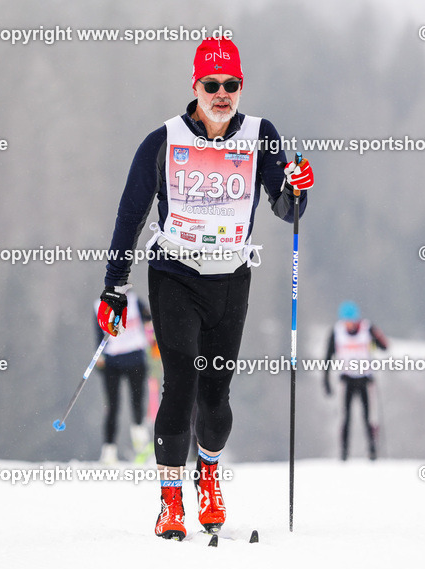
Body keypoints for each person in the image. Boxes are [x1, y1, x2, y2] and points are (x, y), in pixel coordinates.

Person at [96, 38, 314, 540]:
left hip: (231, 279)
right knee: (182, 384)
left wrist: (298, 187)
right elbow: (130, 214)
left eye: (231, 85)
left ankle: (209, 476)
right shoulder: (162, 140)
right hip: (174, 273)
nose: (222, 94)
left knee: (216, 398)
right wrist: (114, 286)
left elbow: (287, 206)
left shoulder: (262, 135)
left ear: (241, 87)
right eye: (212, 85)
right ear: (195, 86)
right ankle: (171, 499)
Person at [93, 290, 154, 466]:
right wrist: (99, 358)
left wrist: (152, 336)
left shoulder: (134, 300)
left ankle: (141, 443)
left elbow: (149, 319)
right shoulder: (100, 305)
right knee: (112, 406)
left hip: (135, 358)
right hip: (113, 363)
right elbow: (98, 335)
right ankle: (109, 451)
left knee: (137, 402)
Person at [323, 301, 388, 461]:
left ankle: (372, 449)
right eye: (346, 321)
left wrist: (377, 338)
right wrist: (326, 380)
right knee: (344, 417)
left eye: (351, 321)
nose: (349, 325)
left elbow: (384, 346)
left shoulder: (367, 328)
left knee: (370, 416)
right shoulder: (337, 332)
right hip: (346, 380)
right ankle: (344, 452)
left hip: (366, 379)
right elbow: (327, 357)